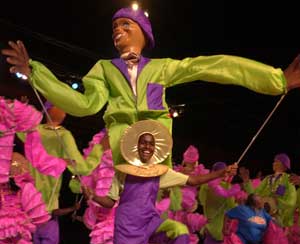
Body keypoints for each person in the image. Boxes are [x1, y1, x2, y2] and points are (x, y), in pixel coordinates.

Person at [2, 6, 300, 170]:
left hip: (154, 149)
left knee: (152, 225)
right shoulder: (104, 69)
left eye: (125, 25)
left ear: (144, 33)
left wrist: (276, 80)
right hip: (123, 148)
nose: (118, 31)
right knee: (132, 224)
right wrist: (35, 73)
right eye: (114, 27)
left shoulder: (161, 68)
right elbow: (85, 105)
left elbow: (214, 65)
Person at [81, 119, 237, 244]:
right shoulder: (123, 172)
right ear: (136, 147)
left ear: (155, 149)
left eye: (150, 144)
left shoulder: (160, 172)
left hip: (149, 221)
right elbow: (110, 202)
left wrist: (222, 172)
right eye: (143, 143)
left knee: (179, 232)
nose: (147, 146)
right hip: (127, 228)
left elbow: (195, 180)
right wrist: (92, 195)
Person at [17, 101, 106, 244]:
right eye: (62, 107)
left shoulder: (32, 131)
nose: (65, 112)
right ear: (51, 110)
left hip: (27, 204)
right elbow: (81, 168)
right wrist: (98, 150)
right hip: (47, 207)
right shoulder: (62, 134)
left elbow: (18, 130)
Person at [199, 161, 240, 244]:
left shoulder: (206, 185)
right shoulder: (227, 187)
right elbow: (231, 206)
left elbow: (201, 200)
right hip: (220, 227)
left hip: (208, 224)